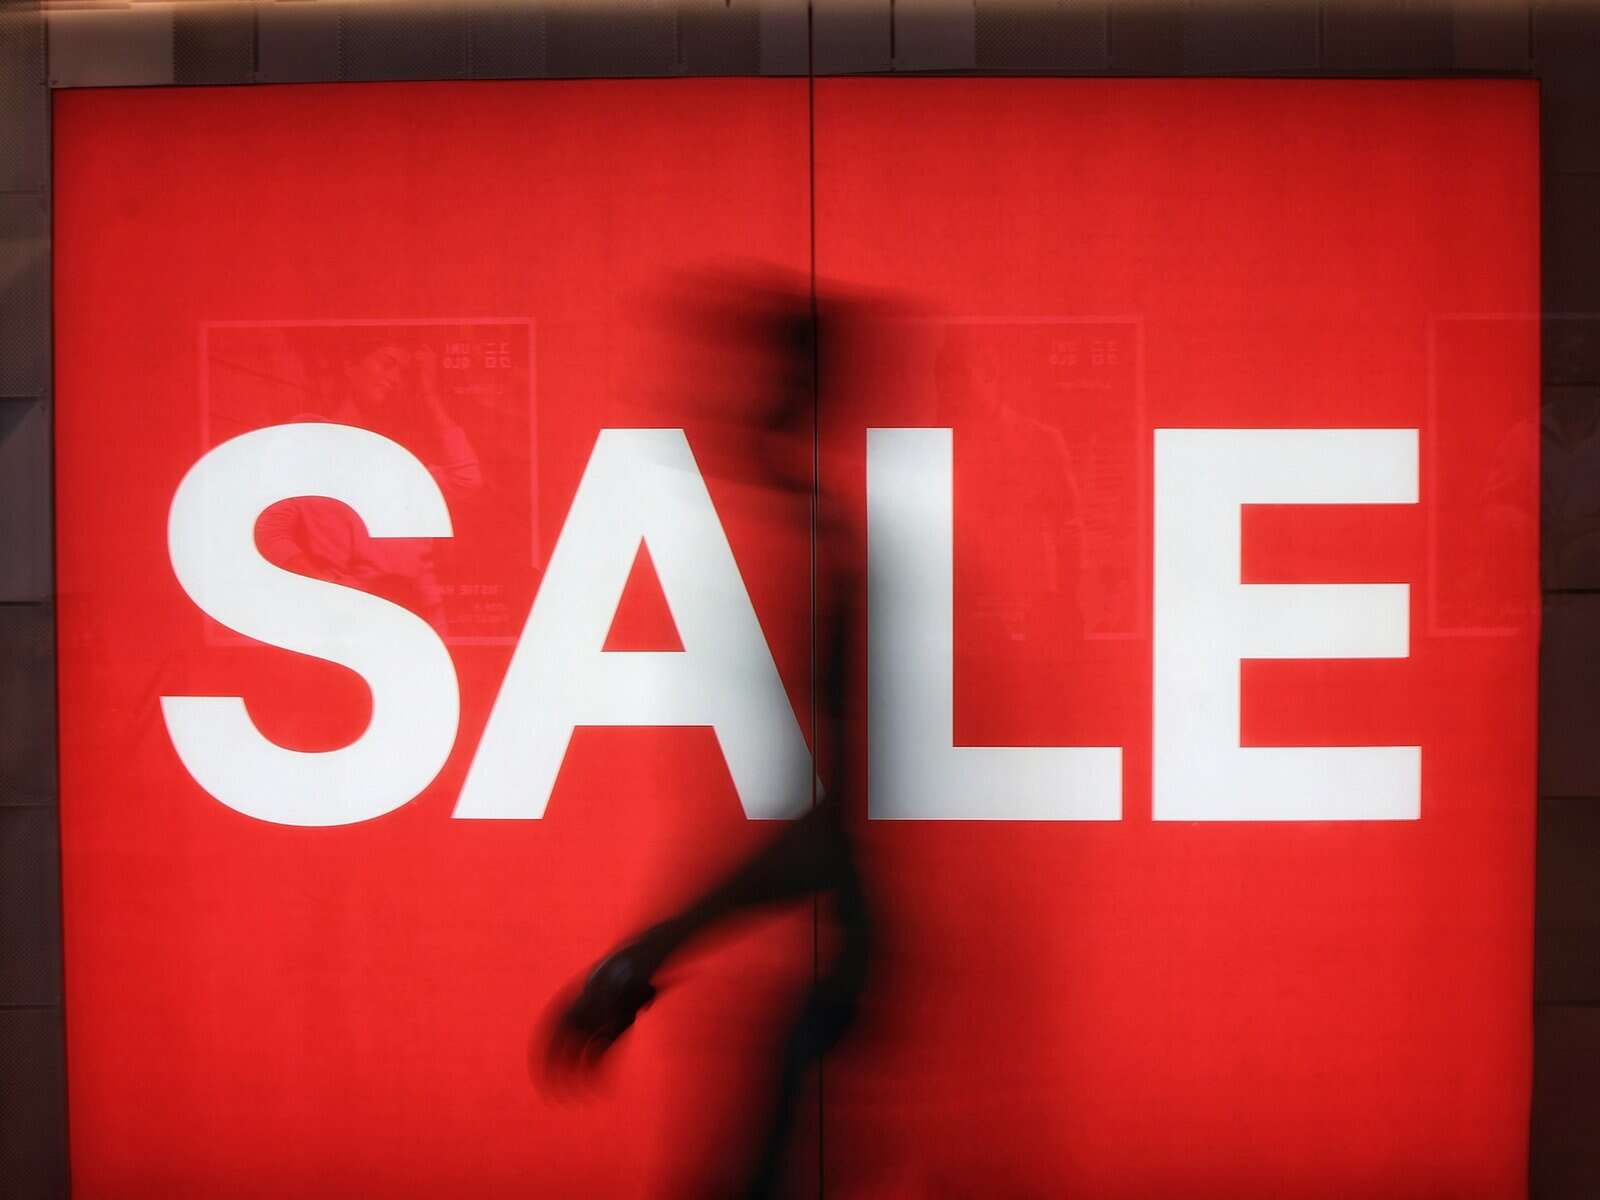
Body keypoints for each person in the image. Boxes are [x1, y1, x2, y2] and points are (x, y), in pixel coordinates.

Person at [544, 271, 872, 1199]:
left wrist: (646, 953)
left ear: (795, 391)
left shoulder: (826, 550)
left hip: (817, 980)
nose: (715, 396)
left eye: (751, 371)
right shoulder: (806, 538)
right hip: (803, 977)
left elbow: (828, 832)